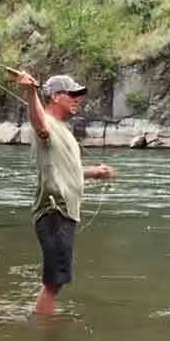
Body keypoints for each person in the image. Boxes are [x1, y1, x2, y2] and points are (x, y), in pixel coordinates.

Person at [13, 71, 114, 316]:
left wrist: (94, 172)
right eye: (72, 94)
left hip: (64, 212)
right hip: (54, 209)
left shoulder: (63, 130)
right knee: (54, 280)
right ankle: (44, 331)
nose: (77, 99)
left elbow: (68, 169)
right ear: (56, 96)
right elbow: (38, 123)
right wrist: (30, 91)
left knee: (56, 279)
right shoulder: (46, 124)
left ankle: (44, 324)